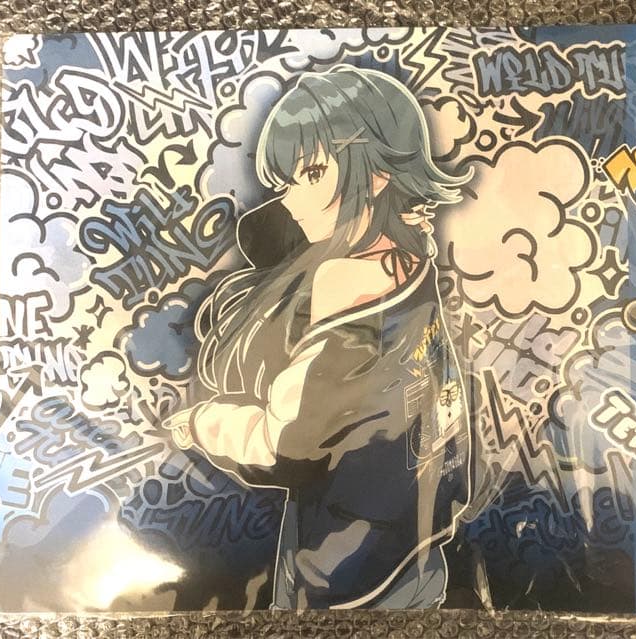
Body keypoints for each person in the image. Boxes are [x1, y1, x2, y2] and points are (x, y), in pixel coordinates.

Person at [163, 65, 472, 610]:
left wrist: (200, 423)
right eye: (287, 182)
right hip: (416, 540)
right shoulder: (411, 257)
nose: (291, 200)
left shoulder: (341, 279)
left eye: (311, 173)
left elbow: (285, 445)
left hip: (343, 569)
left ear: (376, 173)